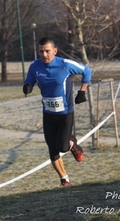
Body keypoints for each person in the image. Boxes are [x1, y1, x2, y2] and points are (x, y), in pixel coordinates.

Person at [23, 37, 92, 187]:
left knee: (61, 146)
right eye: (41, 51)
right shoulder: (35, 66)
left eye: (47, 51)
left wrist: (82, 92)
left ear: (55, 51)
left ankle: (72, 143)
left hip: (65, 113)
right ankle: (64, 179)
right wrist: (27, 85)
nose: (44, 54)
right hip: (48, 113)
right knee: (52, 148)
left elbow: (87, 71)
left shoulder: (65, 65)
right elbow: (29, 79)